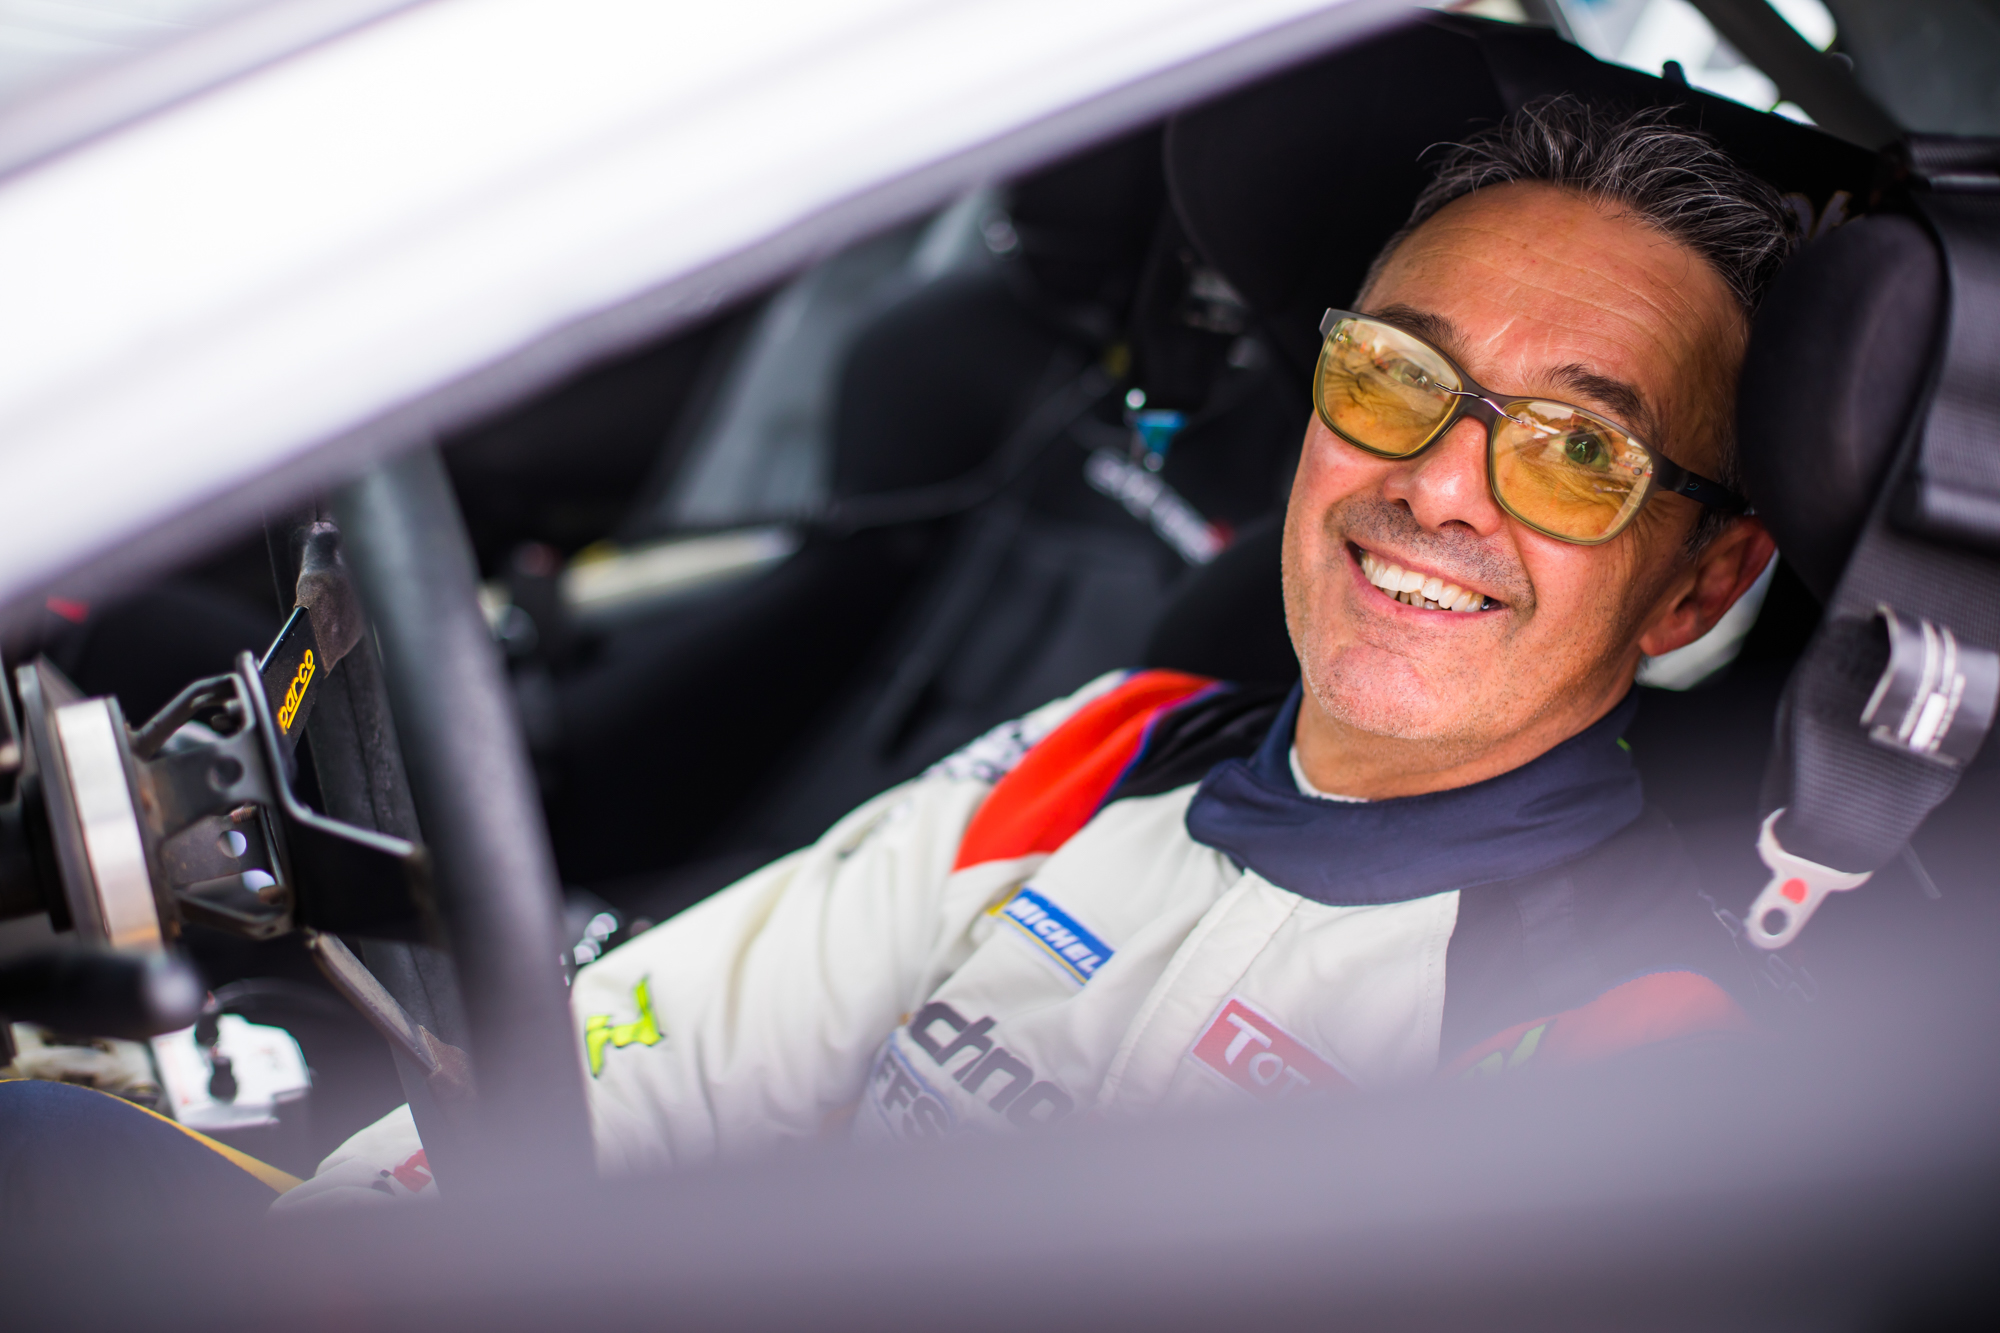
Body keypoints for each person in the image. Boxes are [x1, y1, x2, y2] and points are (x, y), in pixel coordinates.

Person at [281, 95, 1785, 1203]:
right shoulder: (1112, 743)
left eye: (1581, 451)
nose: (1440, 485)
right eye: (1395, 374)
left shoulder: (1627, 1047)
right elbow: (632, 1077)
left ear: (1697, 586)